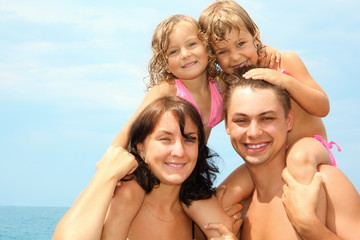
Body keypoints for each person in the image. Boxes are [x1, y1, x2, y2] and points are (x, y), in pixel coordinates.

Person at [197, 0, 340, 210]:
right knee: (222, 199)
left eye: (240, 44)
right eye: (223, 52)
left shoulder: (284, 62)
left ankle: (308, 223)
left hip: (309, 147)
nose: (235, 56)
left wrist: (285, 81)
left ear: (255, 35)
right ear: (213, 57)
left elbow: (323, 107)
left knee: (298, 160)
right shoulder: (228, 84)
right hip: (266, 160)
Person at [53, 96, 233, 240]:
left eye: (189, 139)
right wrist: (106, 175)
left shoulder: (200, 204)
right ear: (141, 147)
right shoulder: (120, 195)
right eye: (165, 139)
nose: (179, 151)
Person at [221, 69, 360, 239]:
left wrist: (311, 227)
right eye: (241, 120)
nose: (253, 132)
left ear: (289, 120)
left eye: (267, 118)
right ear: (227, 125)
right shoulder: (236, 211)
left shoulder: (325, 184)